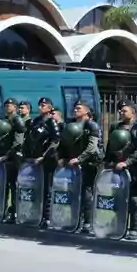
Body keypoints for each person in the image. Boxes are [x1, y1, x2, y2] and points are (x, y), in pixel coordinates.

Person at [105, 101, 137, 238]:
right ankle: (119, 225)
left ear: (133, 112)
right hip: (116, 167)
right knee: (117, 196)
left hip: (134, 167)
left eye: (124, 110)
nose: (121, 113)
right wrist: (107, 162)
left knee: (133, 197)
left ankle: (135, 227)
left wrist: (127, 162)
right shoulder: (115, 127)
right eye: (120, 111)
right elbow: (110, 145)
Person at [58, 99, 102, 231]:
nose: (76, 110)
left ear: (87, 111)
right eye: (75, 108)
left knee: (86, 193)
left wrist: (80, 159)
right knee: (71, 192)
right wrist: (61, 158)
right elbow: (63, 142)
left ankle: (88, 222)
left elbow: (92, 147)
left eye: (79, 108)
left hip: (89, 164)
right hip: (72, 164)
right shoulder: (71, 124)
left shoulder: (91, 125)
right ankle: (74, 220)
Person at [23, 96, 62, 227]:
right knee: (33, 187)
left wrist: (44, 156)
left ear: (50, 108)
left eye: (43, 105)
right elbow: (29, 139)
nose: (40, 107)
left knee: (48, 189)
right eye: (39, 105)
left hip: (47, 161)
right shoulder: (35, 121)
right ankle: (34, 213)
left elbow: (55, 141)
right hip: (33, 160)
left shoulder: (52, 122)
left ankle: (47, 216)